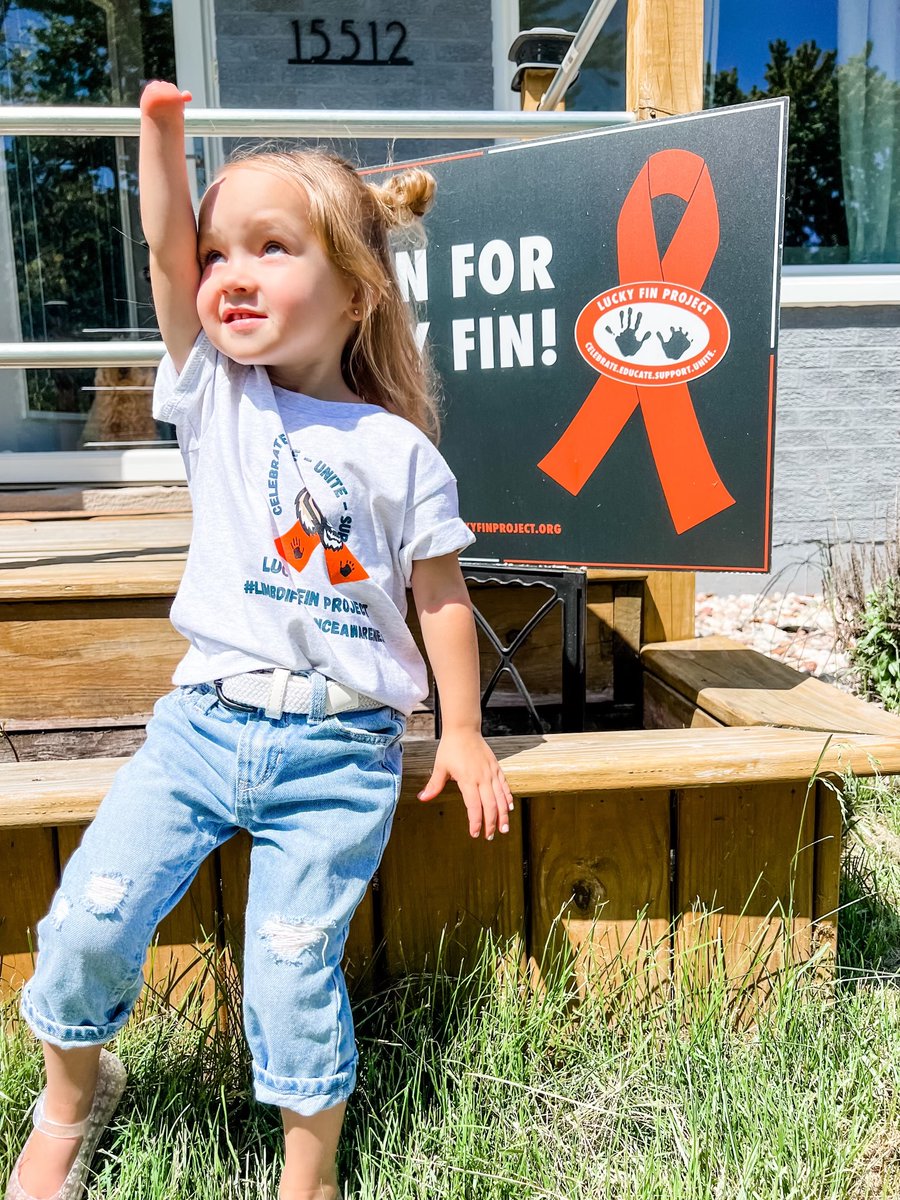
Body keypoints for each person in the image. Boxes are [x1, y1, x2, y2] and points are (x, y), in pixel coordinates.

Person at [6, 80, 513, 1200]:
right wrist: (163, 137)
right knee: (88, 920)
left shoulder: (396, 452)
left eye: (271, 248)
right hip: (200, 729)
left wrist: (466, 730)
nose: (230, 273)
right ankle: (72, 1097)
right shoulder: (217, 398)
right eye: (219, 253)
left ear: (356, 293)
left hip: (339, 755)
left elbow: (440, 600)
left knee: (288, 973)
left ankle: (310, 1173)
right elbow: (163, 251)